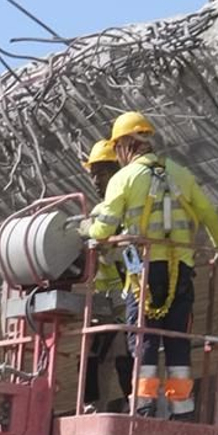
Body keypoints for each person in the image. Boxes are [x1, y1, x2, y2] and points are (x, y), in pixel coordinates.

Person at [83, 112, 218, 417]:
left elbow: (103, 229)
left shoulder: (123, 178)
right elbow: (208, 213)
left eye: (117, 147)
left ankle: (144, 407)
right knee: (177, 339)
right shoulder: (180, 174)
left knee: (144, 338)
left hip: (146, 273)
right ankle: (182, 410)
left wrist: (87, 229)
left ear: (126, 144)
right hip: (182, 270)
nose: (117, 154)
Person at [79, 136, 135, 411]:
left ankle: (134, 402)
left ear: (117, 172)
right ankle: (95, 405)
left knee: (124, 349)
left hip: (125, 293)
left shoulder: (120, 207)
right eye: (92, 174)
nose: (95, 181)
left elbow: (112, 243)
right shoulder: (104, 209)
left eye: (101, 173)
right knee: (94, 350)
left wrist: (87, 231)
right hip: (105, 297)